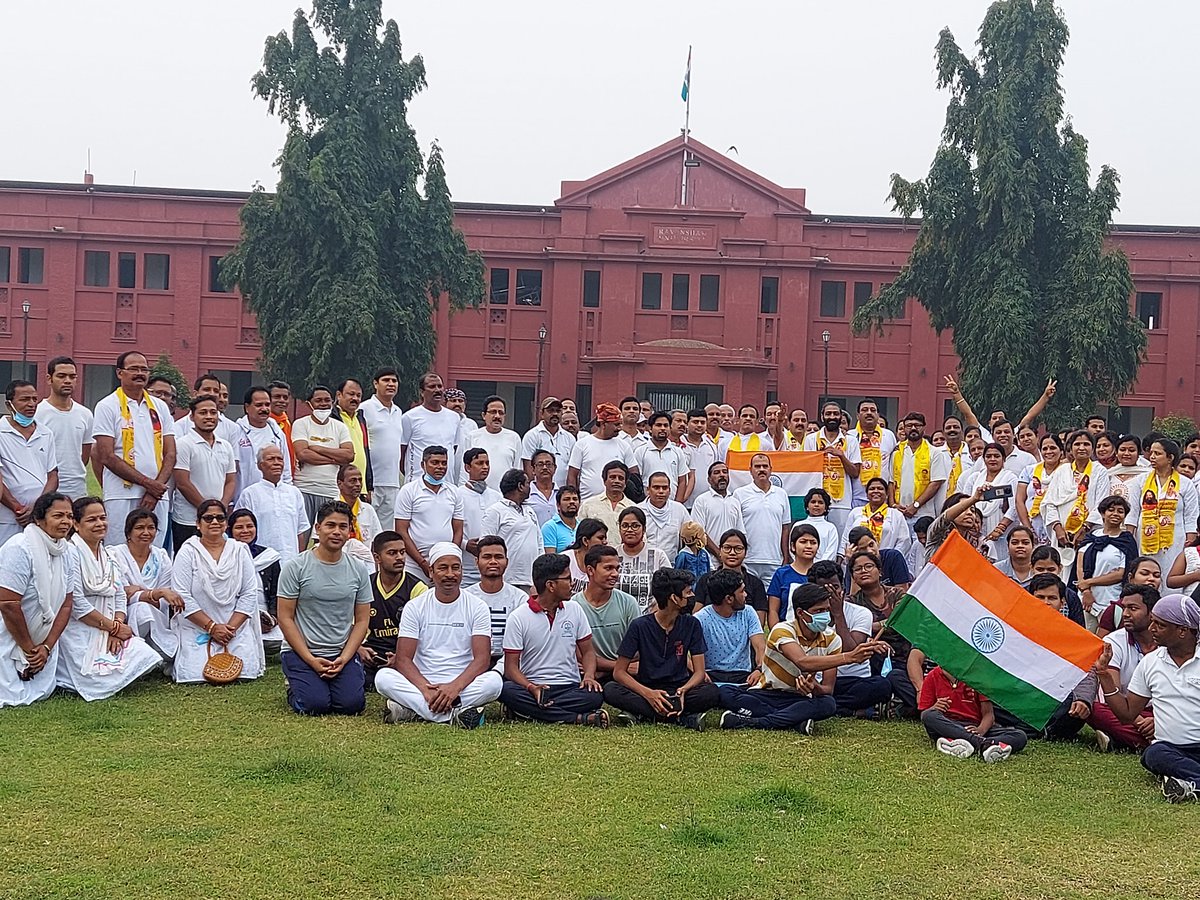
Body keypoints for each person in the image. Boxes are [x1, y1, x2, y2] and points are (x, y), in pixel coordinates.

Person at [719, 583, 881, 732]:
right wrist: (849, 657)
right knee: (726, 692)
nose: (825, 615)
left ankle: (756, 721)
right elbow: (802, 662)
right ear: (801, 613)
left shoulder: (832, 639)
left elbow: (828, 689)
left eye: (826, 610)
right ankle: (794, 721)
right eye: (818, 611)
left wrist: (814, 688)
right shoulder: (782, 630)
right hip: (767, 693)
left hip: (799, 697)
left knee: (827, 703)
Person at [377, 542, 503, 728]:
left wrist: (454, 688)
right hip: (422, 684)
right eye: (443, 568)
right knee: (383, 678)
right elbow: (403, 659)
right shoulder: (415, 606)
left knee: (494, 682)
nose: (450, 574)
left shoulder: (478, 607)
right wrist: (426, 690)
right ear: (431, 571)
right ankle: (453, 714)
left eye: (455, 568)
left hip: (463, 685)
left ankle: (414, 710)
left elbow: (482, 659)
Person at [1094, 593, 1200, 802]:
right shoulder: (1151, 663)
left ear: (1182, 631)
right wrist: (1104, 676)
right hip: (1170, 748)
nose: (1152, 629)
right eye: (1152, 622)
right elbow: (1127, 715)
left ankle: (1188, 782)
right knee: (1153, 755)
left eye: (1160, 625)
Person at [54, 497, 162, 700]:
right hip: (79, 625)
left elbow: (119, 594)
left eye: (102, 518)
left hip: (109, 622)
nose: (99, 524)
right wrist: (112, 628)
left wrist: (117, 626)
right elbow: (76, 604)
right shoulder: (70, 553)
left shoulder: (109, 554)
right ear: (76, 525)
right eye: (92, 519)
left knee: (146, 655)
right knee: (93, 675)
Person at [276, 500, 372, 716]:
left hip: (340, 652)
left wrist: (346, 657)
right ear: (318, 528)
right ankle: (294, 686)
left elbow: (363, 620)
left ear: (350, 531)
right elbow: (285, 617)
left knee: (351, 706)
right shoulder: (296, 567)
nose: (337, 532)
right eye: (330, 525)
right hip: (301, 652)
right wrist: (310, 659)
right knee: (315, 706)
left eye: (343, 526)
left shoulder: (358, 569)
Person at [603, 567, 722, 729]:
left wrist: (683, 691)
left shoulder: (692, 624)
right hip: (646, 687)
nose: (692, 597)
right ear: (674, 598)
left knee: (711, 692)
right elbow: (619, 672)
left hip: (679, 688)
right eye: (687, 593)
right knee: (611, 690)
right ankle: (680, 717)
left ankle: (646, 714)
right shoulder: (640, 626)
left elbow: (700, 672)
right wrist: (648, 694)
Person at [499, 553, 607, 726]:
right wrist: (531, 687)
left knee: (594, 696)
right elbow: (511, 668)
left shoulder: (575, 609)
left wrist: (588, 675)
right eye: (567, 579)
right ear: (550, 585)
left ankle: (529, 712)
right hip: (533, 686)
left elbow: (587, 652)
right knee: (506, 690)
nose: (572, 584)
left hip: (569, 686)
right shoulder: (518, 617)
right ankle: (577, 718)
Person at [169, 500, 265, 683]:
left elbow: (249, 593)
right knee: (193, 675)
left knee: (245, 672)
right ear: (198, 523)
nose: (214, 522)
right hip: (198, 626)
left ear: (226, 523)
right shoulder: (188, 551)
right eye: (208, 518)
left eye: (220, 518)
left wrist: (229, 630)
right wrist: (212, 628)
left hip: (234, 627)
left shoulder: (239, 550)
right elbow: (181, 595)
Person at [0, 493, 80, 708]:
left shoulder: (68, 551)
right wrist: (28, 649)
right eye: (58, 515)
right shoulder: (19, 547)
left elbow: (66, 603)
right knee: (11, 694)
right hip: (9, 633)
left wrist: (46, 647)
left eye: (70, 516)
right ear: (39, 518)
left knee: (41, 692)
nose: (66, 522)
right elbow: (8, 604)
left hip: (43, 641)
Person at [91, 352, 176, 548]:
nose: (140, 373)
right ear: (120, 373)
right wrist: (148, 484)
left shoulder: (160, 407)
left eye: (144, 369)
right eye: (134, 369)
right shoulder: (107, 406)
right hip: (121, 493)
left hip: (157, 496)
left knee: (154, 550)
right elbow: (106, 455)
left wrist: (155, 490)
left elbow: (170, 453)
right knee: (118, 549)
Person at [808, 559, 893, 716]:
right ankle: (854, 711)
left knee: (882, 686)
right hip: (818, 679)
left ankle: (831, 707)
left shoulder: (861, 613)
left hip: (852, 679)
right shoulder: (806, 614)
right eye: (823, 590)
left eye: (835, 588)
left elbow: (852, 651)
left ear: (844, 588)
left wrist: (838, 615)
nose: (830, 594)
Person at [1087, 584, 1158, 751]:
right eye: (1124, 608)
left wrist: (1159, 721)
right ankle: (1155, 742)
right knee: (1095, 709)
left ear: (1152, 612)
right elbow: (1113, 691)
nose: (1125, 614)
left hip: (1160, 711)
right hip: (1124, 711)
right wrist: (1139, 721)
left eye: (1133, 608)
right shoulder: (1114, 641)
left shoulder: (1168, 642)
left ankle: (1121, 741)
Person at [357, 530, 428, 689]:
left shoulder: (417, 588)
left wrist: (402, 657)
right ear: (377, 558)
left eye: (402, 552)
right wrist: (359, 648)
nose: (400, 557)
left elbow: (427, 633)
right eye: (392, 553)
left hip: (407, 656)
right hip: (371, 655)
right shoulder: (365, 586)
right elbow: (350, 625)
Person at [918, 662, 1028, 762]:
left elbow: (988, 714)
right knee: (929, 715)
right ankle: (983, 744)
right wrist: (935, 707)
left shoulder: (977, 677)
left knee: (1019, 735)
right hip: (947, 725)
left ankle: (960, 743)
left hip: (973, 727)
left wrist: (981, 730)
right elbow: (924, 714)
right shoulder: (932, 676)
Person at [171, 395, 237, 550]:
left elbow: (231, 480)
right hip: (188, 520)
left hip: (217, 521)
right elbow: (182, 482)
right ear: (192, 416)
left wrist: (221, 508)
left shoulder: (225, 446)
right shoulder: (183, 444)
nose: (209, 417)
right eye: (203, 412)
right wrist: (206, 510)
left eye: (213, 412)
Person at [113, 508, 181, 657]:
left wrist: (140, 592)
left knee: (144, 608)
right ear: (128, 532)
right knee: (141, 609)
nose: (146, 532)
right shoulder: (115, 554)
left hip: (158, 616)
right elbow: (121, 595)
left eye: (151, 527)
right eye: (139, 528)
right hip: (124, 616)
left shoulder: (161, 556)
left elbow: (165, 599)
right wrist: (156, 593)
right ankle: (135, 651)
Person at [1127, 437, 1199, 575]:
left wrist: (1190, 541)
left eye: (1157, 453)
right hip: (1145, 536)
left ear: (1170, 457)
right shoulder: (1140, 481)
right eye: (1151, 453)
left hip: (1175, 538)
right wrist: (1129, 538)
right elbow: (1133, 513)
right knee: (1146, 572)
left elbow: (1191, 516)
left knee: (1170, 573)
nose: (1152, 457)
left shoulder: (1185, 483)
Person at [0, 379, 59, 546]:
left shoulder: (45, 433)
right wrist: (17, 508)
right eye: (24, 399)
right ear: (9, 404)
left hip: (38, 517)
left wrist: (38, 507)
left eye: (34, 399)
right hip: (8, 518)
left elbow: (53, 475)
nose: (31, 404)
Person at [394, 445, 464, 583]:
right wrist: (423, 563)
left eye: (444, 463)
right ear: (423, 465)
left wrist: (450, 555)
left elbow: (458, 530)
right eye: (435, 462)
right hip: (414, 565)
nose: (440, 467)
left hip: (444, 564)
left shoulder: (454, 492)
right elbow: (401, 531)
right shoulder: (408, 491)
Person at [1042, 430, 1110, 569]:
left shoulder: (1099, 471)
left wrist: (1084, 530)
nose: (1081, 448)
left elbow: (1101, 504)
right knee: (1059, 569)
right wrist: (1057, 528)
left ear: (1092, 448)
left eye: (1086, 444)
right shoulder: (1062, 471)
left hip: (1089, 532)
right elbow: (1049, 503)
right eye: (1077, 444)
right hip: (1061, 533)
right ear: (1070, 448)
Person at [573, 544, 640, 681]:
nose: (615, 574)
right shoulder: (574, 606)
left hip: (623, 674)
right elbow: (578, 655)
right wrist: (619, 667)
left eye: (617, 568)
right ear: (590, 570)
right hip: (598, 672)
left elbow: (638, 650)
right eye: (608, 568)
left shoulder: (628, 602)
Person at [290, 385, 354, 526]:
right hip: (304, 489)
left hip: (331, 490)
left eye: (327, 400)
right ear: (309, 404)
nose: (323, 404)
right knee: (301, 534)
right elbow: (303, 454)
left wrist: (317, 448)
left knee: (327, 535)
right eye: (318, 400)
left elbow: (349, 455)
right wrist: (335, 459)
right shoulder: (300, 424)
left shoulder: (340, 427)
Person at [234, 445, 309, 563]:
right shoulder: (249, 494)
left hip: (290, 561)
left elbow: (300, 531)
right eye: (271, 459)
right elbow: (240, 531)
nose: (276, 463)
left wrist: (298, 561)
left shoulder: (294, 493)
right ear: (260, 465)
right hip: (261, 562)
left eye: (280, 459)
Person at [1076, 495, 1138, 630]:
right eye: (1111, 510)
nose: (1115, 514)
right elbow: (1079, 565)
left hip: (1110, 599)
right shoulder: (1091, 537)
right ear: (1103, 513)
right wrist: (1085, 590)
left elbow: (1121, 574)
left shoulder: (1126, 541)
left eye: (1120, 511)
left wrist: (1088, 582)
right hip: (1086, 599)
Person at [463, 535, 530, 660]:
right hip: (471, 662)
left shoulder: (520, 599)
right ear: (476, 562)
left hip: (511, 662)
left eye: (498, 557)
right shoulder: (465, 598)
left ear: (507, 562)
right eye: (487, 557)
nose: (493, 561)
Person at [35, 357, 93, 500]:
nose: (67, 380)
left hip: (77, 488)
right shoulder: (37, 413)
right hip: (44, 488)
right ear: (49, 379)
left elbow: (85, 454)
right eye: (61, 376)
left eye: (72, 376)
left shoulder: (85, 414)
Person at [694, 568, 764, 684]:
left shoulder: (748, 612)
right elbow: (684, 654)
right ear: (729, 599)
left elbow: (760, 647)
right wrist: (699, 672)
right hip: (711, 675)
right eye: (742, 591)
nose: (746, 595)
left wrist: (759, 669)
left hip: (742, 675)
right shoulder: (700, 619)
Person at [733, 453, 791, 590]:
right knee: (746, 600)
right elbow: (735, 528)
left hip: (774, 560)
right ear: (750, 470)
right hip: (747, 560)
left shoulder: (781, 494)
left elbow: (785, 528)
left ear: (771, 469)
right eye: (757, 466)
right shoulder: (739, 494)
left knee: (771, 602)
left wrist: (785, 556)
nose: (761, 469)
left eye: (765, 466)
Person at [802, 402, 861, 534]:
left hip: (841, 502)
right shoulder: (811, 439)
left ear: (841, 417)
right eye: (828, 414)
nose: (832, 417)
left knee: (840, 539)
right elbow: (806, 470)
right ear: (822, 417)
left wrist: (841, 456)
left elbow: (855, 472)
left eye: (836, 413)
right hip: (816, 499)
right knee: (815, 536)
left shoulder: (850, 441)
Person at [481, 469, 541, 592]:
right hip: (507, 579)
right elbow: (485, 545)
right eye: (528, 483)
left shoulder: (530, 511)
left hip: (531, 579)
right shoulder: (495, 511)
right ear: (520, 486)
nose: (530, 487)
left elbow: (539, 542)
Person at [359, 368, 405, 526]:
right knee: (366, 528)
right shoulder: (364, 409)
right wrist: (366, 483)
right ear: (375, 384)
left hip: (392, 482)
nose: (391, 384)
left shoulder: (398, 411)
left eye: (394, 381)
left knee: (386, 532)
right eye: (386, 380)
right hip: (371, 483)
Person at [226, 508, 282, 637]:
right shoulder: (224, 557)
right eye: (239, 527)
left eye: (250, 526)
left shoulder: (269, 557)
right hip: (231, 616)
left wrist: (272, 618)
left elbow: (276, 593)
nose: (245, 531)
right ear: (230, 530)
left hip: (265, 617)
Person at [567, 403, 638, 500]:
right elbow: (572, 475)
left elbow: (634, 474)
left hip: (617, 505)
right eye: (616, 424)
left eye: (620, 424)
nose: (619, 428)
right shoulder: (582, 444)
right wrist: (573, 498)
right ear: (603, 424)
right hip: (587, 504)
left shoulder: (624, 446)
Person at [890, 412, 949, 527]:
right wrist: (893, 505)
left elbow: (936, 483)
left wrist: (915, 505)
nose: (913, 428)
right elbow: (891, 482)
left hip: (923, 514)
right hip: (899, 514)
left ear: (924, 428)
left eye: (917, 425)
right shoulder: (897, 453)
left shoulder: (935, 453)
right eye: (909, 426)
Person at [233, 385, 292, 496]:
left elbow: (286, 470)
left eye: (267, 405)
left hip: (273, 496)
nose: (264, 409)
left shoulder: (278, 433)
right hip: (243, 497)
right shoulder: (236, 432)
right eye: (259, 405)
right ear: (247, 407)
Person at [613, 506, 671, 613]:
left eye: (635, 526)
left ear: (644, 529)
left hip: (651, 618)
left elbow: (669, 588)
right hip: (617, 616)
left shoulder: (658, 556)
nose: (629, 530)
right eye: (625, 526)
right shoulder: (612, 555)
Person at [458, 447, 502, 588]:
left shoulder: (497, 496)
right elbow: (448, 528)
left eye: (487, 463)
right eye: (479, 463)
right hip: (465, 568)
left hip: (492, 566)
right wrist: (465, 544)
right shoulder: (457, 495)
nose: (485, 467)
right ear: (467, 467)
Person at [464, 396, 523, 492]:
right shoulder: (472, 437)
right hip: (476, 493)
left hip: (505, 496)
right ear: (483, 415)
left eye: (501, 413)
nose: (497, 416)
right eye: (493, 412)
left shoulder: (514, 437)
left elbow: (517, 469)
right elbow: (464, 471)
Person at [767, 523, 820, 626]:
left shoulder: (821, 574)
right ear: (792, 546)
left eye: (813, 542)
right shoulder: (781, 574)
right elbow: (773, 610)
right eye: (803, 542)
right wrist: (777, 635)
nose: (808, 546)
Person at [1016, 433, 1065, 544]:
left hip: (1057, 526)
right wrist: (1028, 529)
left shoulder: (1067, 471)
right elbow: (1019, 500)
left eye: (1053, 448)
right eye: (1045, 449)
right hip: (1031, 523)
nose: (1048, 452)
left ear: (1061, 451)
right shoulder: (1029, 470)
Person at [690, 461, 744, 556]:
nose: (722, 475)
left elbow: (740, 532)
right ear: (709, 479)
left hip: (731, 559)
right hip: (709, 561)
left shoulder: (735, 502)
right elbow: (699, 533)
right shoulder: (701, 501)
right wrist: (719, 554)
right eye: (717, 473)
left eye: (724, 472)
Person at [635, 412, 691, 502]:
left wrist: (678, 503)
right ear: (650, 428)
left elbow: (682, 480)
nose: (662, 428)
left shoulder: (677, 452)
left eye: (666, 425)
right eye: (658, 425)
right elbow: (637, 480)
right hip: (647, 504)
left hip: (671, 504)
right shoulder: (641, 451)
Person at [848, 477, 911, 557]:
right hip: (859, 560)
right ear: (866, 494)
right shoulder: (855, 512)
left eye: (880, 488)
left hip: (886, 559)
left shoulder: (896, 514)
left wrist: (890, 557)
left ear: (887, 494)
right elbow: (846, 539)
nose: (876, 491)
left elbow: (904, 541)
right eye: (872, 489)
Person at [522, 397, 576, 488]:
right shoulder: (532, 436)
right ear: (542, 414)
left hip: (562, 493)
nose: (555, 414)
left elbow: (573, 470)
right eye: (550, 411)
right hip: (538, 493)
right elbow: (528, 468)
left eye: (558, 411)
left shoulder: (570, 438)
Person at [851, 400, 897, 507]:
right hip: (856, 496)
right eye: (864, 410)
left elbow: (892, 468)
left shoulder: (888, 435)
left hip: (881, 496)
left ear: (878, 415)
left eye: (873, 410)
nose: (869, 413)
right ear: (858, 416)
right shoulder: (850, 436)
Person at [334, 379, 373, 497]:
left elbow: (365, 452)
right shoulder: (332, 418)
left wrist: (369, 486)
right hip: (340, 487)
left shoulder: (360, 418)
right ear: (339, 395)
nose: (355, 398)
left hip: (360, 488)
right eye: (351, 394)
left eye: (358, 395)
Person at [844, 526, 912, 591]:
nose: (870, 550)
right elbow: (853, 599)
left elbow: (903, 591)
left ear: (876, 542)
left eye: (871, 545)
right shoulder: (854, 566)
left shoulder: (893, 557)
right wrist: (853, 563)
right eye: (863, 549)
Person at [638, 471, 689, 558]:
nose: (661, 491)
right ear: (648, 490)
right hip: (644, 566)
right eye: (656, 487)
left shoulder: (679, 509)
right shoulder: (638, 510)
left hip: (672, 567)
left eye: (664, 488)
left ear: (669, 491)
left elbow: (691, 535)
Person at [578, 460, 634, 535]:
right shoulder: (588, 505)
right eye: (612, 477)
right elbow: (580, 534)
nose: (617, 481)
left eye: (621, 478)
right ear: (604, 481)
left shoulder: (632, 508)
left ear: (625, 483)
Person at [566, 518, 608, 593]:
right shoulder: (566, 559)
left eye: (605, 538)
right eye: (600, 538)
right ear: (585, 540)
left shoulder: (603, 562)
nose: (605, 542)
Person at [799, 488, 841, 562]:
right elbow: (793, 549)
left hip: (823, 570)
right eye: (813, 502)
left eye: (820, 502)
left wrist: (818, 567)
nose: (816, 505)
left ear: (825, 508)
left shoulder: (831, 528)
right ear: (807, 506)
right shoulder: (798, 525)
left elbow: (831, 551)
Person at [266, 380, 296, 477]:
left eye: (285, 398)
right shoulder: (262, 423)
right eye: (277, 397)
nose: (282, 400)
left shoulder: (286, 422)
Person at [526, 449, 560, 527]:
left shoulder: (561, 494)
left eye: (548, 464)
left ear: (555, 468)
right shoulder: (526, 495)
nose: (545, 467)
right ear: (533, 469)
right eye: (540, 464)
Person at [542, 486, 579, 553]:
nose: (572, 502)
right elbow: (551, 558)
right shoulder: (550, 527)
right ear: (558, 505)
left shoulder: (582, 526)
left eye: (575, 499)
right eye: (567, 499)